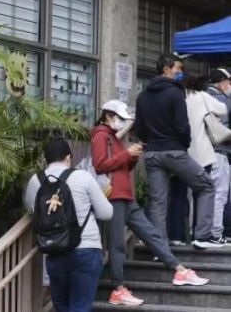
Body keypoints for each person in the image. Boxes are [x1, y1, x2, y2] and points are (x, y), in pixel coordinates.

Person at [92, 101, 208, 306]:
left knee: (150, 234)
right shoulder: (101, 135)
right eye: (119, 118)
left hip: (124, 195)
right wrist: (127, 154)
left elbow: (120, 166)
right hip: (114, 196)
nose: (122, 122)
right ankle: (118, 289)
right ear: (108, 116)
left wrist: (132, 157)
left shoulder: (111, 136)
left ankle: (179, 269)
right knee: (118, 244)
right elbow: (100, 165)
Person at [134, 54, 220, 249]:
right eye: (178, 68)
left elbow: (138, 128)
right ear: (166, 68)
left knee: (158, 202)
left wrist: (151, 141)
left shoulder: (143, 95)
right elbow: (183, 126)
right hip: (174, 150)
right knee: (206, 186)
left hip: (152, 153)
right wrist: (183, 145)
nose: (180, 72)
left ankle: (159, 248)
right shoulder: (176, 93)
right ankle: (202, 236)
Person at [24, 138, 113, 312]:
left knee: (62, 307)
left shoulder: (36, 180)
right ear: (68, 158)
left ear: (46, 159)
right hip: (86, 249)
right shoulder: (83, 177)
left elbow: (32, 210)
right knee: (80, 306)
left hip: (54, 250)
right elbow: (106, 213)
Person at [168, 76, 229, 245]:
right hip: (202, 154)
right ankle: (199, 235)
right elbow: (223, 109)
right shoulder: (201, 96)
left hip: (179, 154)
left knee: (179, 196)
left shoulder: (176, 98)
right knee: (202, 194)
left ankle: (176, 236)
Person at [207, 68, 231, 239]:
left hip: (200, 153)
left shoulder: (200, 97)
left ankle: (201, 232)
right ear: (222, 82)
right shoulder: (223, 100)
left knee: (204, 194)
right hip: (220, 151)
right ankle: (216, 233)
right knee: (219, 194)